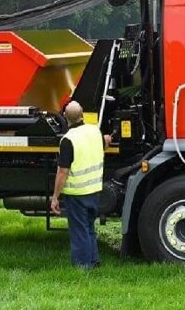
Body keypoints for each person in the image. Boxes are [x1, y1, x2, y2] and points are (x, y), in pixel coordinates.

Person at [50, 100, 109, 269]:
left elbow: (63, 171)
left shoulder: (68, 140)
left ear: (65, 117)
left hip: (77, 193)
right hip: (94, 190)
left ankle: (83, 266)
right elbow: (104, 142)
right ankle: (94, 261)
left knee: (79, 230)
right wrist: (108, 139)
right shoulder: (95, 131)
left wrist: (55, 197)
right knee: (89, 227)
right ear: (82, 114)